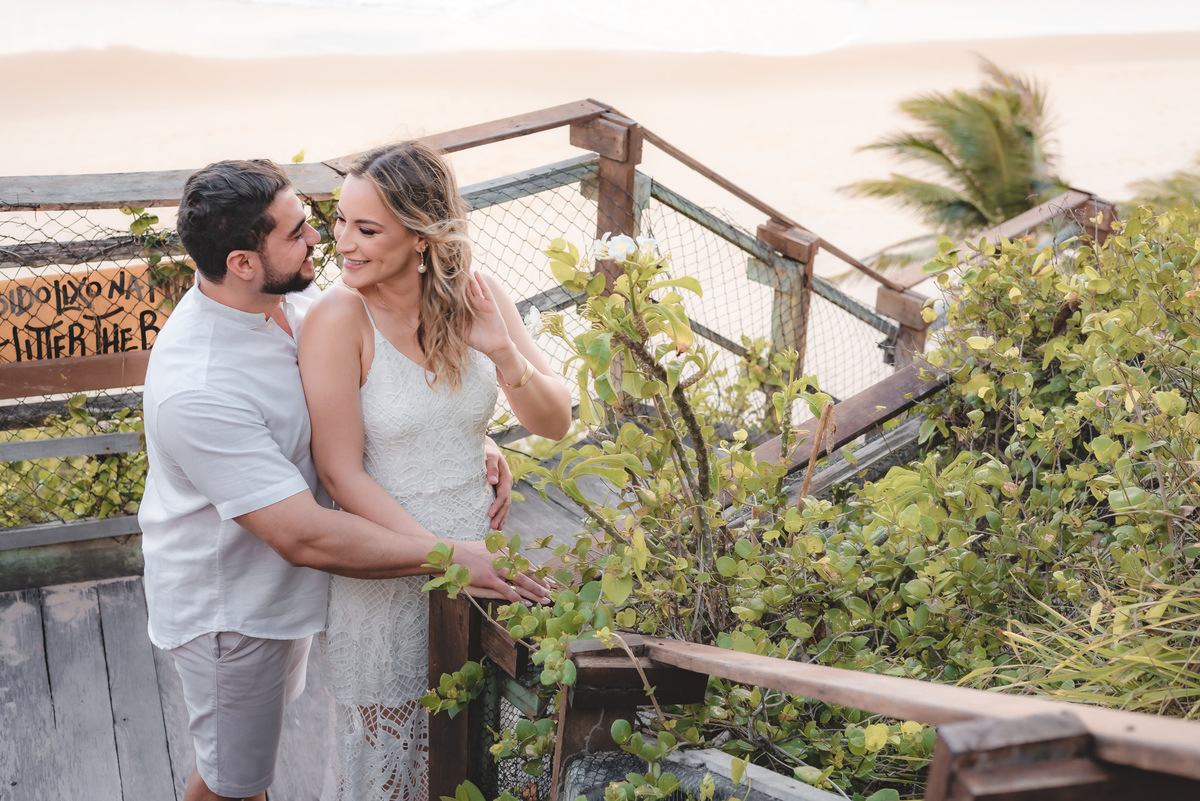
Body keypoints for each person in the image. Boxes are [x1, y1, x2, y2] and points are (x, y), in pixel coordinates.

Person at [140, 158, 551, 801]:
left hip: (325, 574)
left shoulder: (289, 296)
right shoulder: (196, 386)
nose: (323, 242)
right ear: (245, 262)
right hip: (235, 607)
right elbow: (303, 532)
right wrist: (449, 560)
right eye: (302, 231)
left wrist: (474, 439)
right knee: (234, 782)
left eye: (321, 222)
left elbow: (389, 395)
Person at [297, 140, 572, 801]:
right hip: (390, 571)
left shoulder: (482, 296)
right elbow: (341, 475)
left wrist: (504, 353)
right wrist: (449, 557)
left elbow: (556, 421)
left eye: (366, 229)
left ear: (421, 237)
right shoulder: (338, 317)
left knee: (475, 759)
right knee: (392, 777)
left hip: (482, 566)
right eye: (340, 223)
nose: (345, 244)